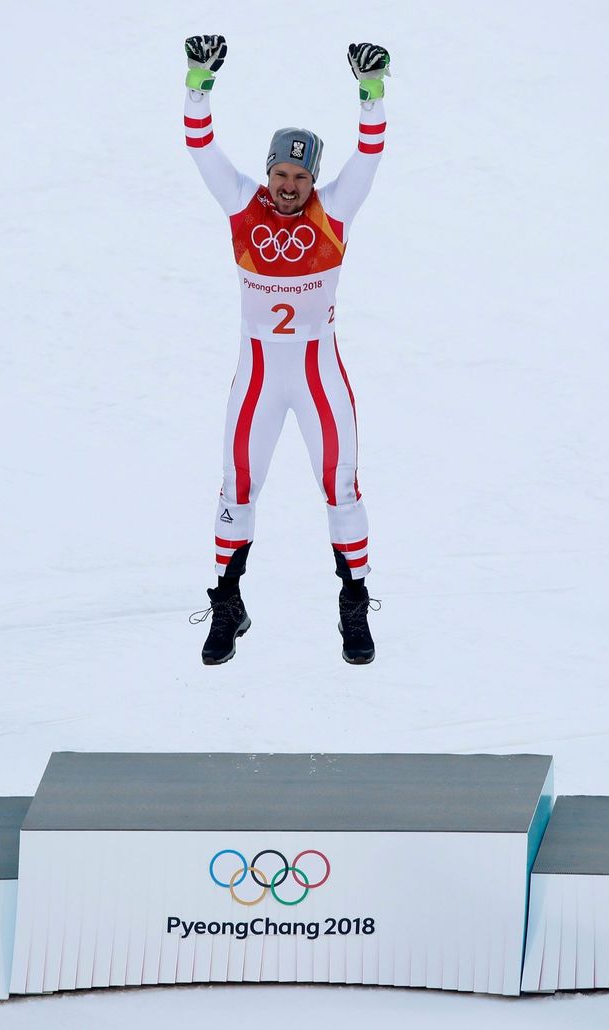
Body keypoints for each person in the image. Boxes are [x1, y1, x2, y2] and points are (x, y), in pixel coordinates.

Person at [184, 36, 389, 666]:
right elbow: (200, 145)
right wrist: (199, 81)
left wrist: (371, 92)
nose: (289, 186)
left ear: (314, 178)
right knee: (237, 484)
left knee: (341, 484)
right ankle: (227, 602)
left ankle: (353, 603)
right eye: (280, 174)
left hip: (317, 373)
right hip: (259, 375)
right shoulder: (242, 203)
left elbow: (371, 151)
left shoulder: (337, 208)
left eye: (300, 176)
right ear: (267, 171)